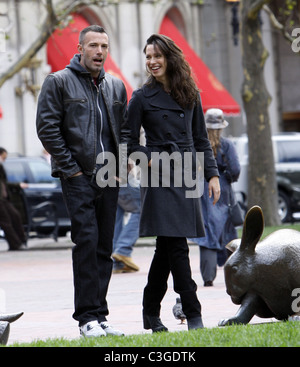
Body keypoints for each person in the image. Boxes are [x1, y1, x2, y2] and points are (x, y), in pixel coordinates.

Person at [36, 25, 130, 337]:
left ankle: (101, 316)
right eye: (93, 45)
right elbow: (47, 128)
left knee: (104, 247)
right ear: (80, 49)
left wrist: (120, 168)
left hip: (109, 176)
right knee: (87, 242)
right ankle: (86, 318)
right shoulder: (58, 81)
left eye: (104, 46)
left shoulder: (116, 86)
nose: (99, 51)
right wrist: (72, 169)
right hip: (77, 177)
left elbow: (124, 131)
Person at [127, 34, 220, 332]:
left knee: (166, 248)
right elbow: (128, 141)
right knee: (177, 245)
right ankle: (194, 314)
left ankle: (150, 312)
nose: (152, 62)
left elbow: (201, 139)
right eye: (148, 57)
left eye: (157, 56)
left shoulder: (190, 93)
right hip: (158, 175)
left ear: (170, 58)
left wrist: (212, 174)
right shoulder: (141, 97)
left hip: (187, 173)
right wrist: (147, 159)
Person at [189, 108, 241, 286]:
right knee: (227, 231)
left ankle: (208, 277)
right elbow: (235, 170)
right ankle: (233, 277)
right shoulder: (227, 145)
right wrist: (227, 178)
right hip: (222, 188)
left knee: (206, 231)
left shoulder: (196, 144)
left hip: (201, 189)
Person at [112, 171, 140, 273]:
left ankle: (117, 263)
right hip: (121, 176)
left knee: (115, 218)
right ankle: (123, 250)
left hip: (108, 177)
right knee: (143, 210)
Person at [0, 148, 27, 251]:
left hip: (4, 198)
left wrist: (18, 185)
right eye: (3, 157)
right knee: (5, 221)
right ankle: (15, 244)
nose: (4, 160)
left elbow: (4, 183)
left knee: (15, 215)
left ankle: (21, 241)